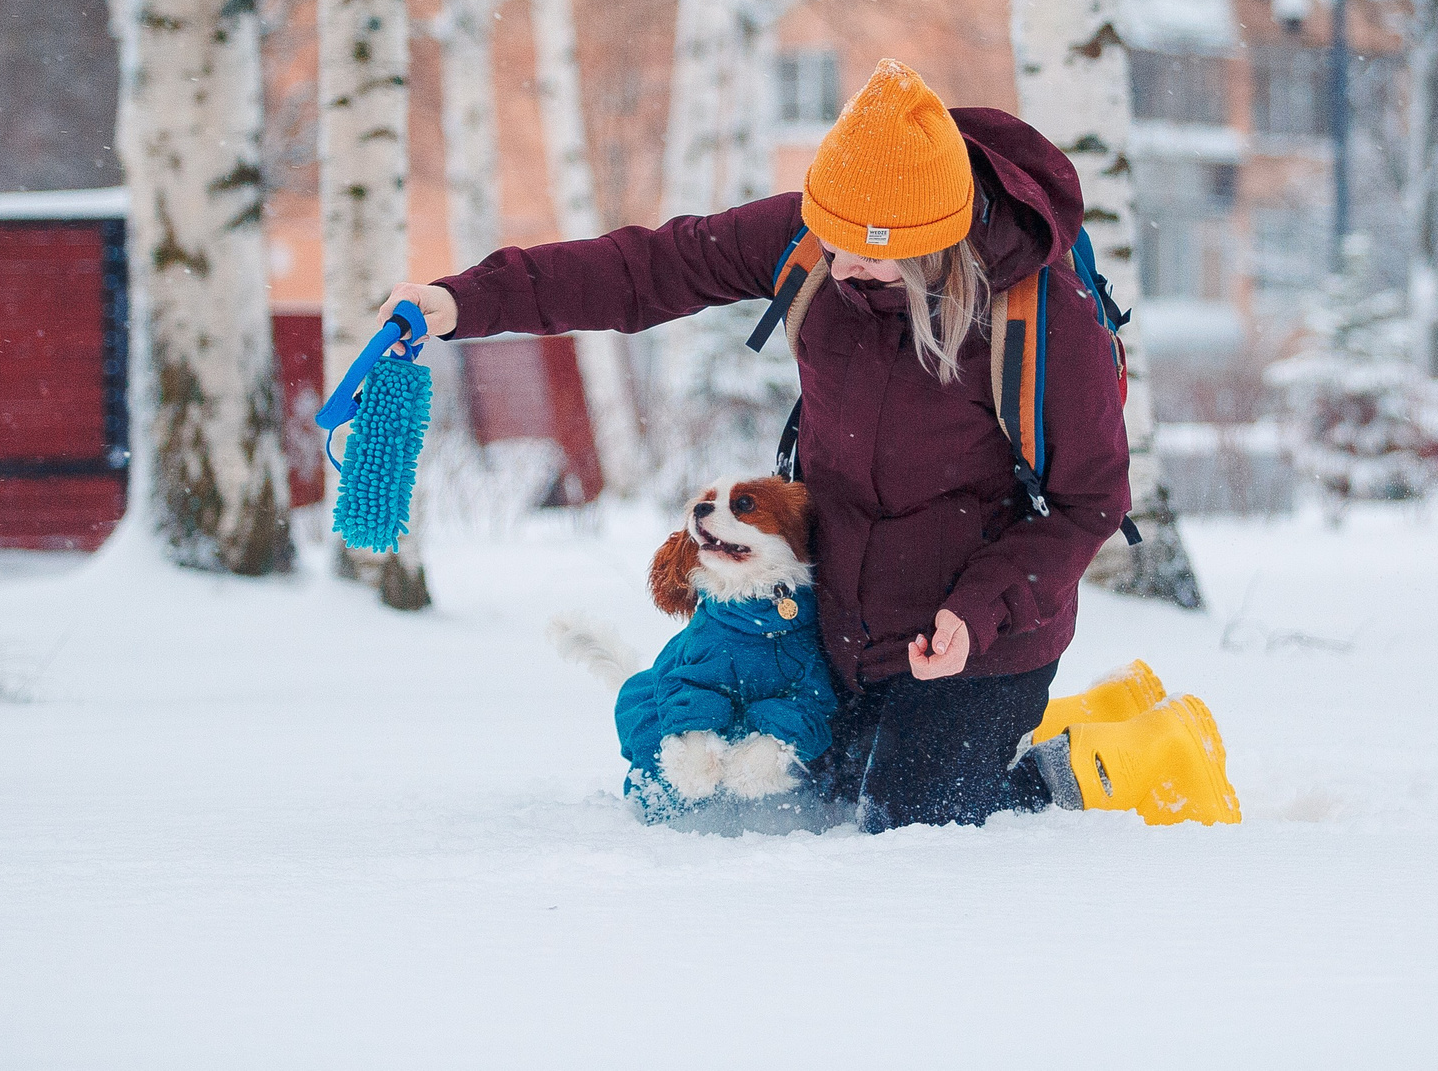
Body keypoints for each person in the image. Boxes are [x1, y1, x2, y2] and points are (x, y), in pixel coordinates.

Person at [389, 59, 1236, 830]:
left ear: (940, 245)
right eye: (832, 243)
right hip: (839, 627)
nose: (840, 268)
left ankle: (1130, 755)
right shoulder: (820, 232)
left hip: (980, 640)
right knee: (818, 786)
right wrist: (461, 303)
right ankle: (1097, 707)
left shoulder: (1038, 317)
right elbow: (643, 269)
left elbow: (1094, 500)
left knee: (911, 822)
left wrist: (975, 615)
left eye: (875, 260)